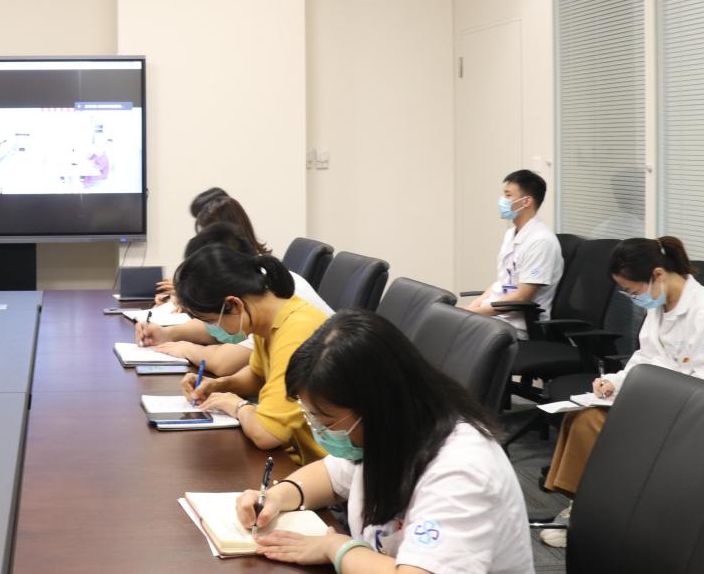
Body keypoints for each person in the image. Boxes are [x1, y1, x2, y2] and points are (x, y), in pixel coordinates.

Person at [235, 310, 533, 572]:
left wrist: (336, 549)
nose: (321, 432)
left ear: (378, 407)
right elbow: (330, 475)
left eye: (327, 422)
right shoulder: (389, 433)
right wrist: (277, 497)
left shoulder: (462, 470)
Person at [538, 236, 704, 548]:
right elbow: (645, 358)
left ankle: (590, 513)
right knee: (581, 417)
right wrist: (614, 381)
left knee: (593, 425)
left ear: (658, 275)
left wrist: (651, 397)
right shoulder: (660, 305)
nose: (633, 298)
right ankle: (583, 507)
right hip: (656, 400)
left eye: (633, 291)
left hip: (690, 415)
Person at [174, 244, 328, 461]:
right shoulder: (268, 320)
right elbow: (258, 376)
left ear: (234, 304)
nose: (212, 329)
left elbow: (266, 434)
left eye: (211, 321)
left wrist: (237, 406)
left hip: (324, 465)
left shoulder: (297, 332)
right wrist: (219, 385)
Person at [136, 223, 332, 375]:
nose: (213, 326)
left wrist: (186, 349)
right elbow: (255, 371)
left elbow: (224, 363)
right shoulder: (257, 294)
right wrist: (168, 334)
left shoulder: (272, 308)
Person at [464, 169, 563, 339]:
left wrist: (474, 313)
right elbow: (502, 282)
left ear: (526, 201)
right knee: (447, 321)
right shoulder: (511, 234)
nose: (502, 200)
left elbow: (522, 296)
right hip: (498, 317)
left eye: (508, 195)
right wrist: (472, 307)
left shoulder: (541, 241)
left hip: (519, 327)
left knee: (452, 333)